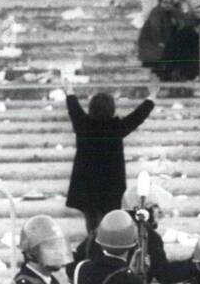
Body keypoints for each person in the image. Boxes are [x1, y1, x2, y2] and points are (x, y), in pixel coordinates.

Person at [64, 88, 155, 233]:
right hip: (110, 185)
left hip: (87, 184)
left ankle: (92, 248)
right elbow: (137, 116)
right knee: (109, 221)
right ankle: (105, 248)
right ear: (112, 109)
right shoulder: (116, 128)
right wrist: (152, 97)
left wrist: (68, 90)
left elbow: (73, 108)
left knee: (91, 223)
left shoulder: (83, 124)